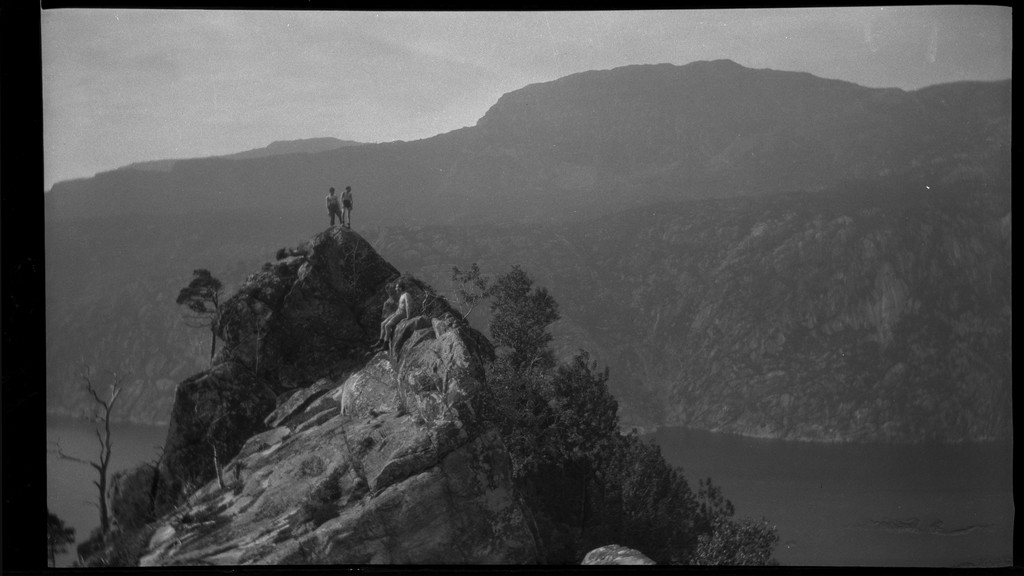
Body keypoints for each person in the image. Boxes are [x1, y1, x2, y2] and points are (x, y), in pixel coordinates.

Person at [374, 280, 411, 350]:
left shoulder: (406, 295)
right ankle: (380, 341)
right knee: (383, 324)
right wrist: (394, 313)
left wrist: (408, 317)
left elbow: (408, 306)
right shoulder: (402, 295)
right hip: (398, 312)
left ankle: (386, 345)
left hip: (402, 313)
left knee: (387, 326)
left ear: (400, 288)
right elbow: (400, 306)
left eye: (397, 287)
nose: (395, 289)